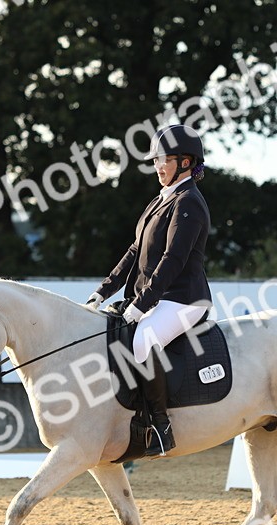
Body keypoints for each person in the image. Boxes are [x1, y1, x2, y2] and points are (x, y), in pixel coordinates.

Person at [85, 124, 212, 457]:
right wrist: (103, 291)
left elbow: (172, 259)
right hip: (158, 298)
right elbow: (134, 250)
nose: (158, 167)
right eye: (156, 160)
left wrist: (142, 304)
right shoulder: (160, 199)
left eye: (164, 160)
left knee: (143, 340)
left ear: (186, 162)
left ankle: (160, 425)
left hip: (184, 299)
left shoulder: (189, 203)